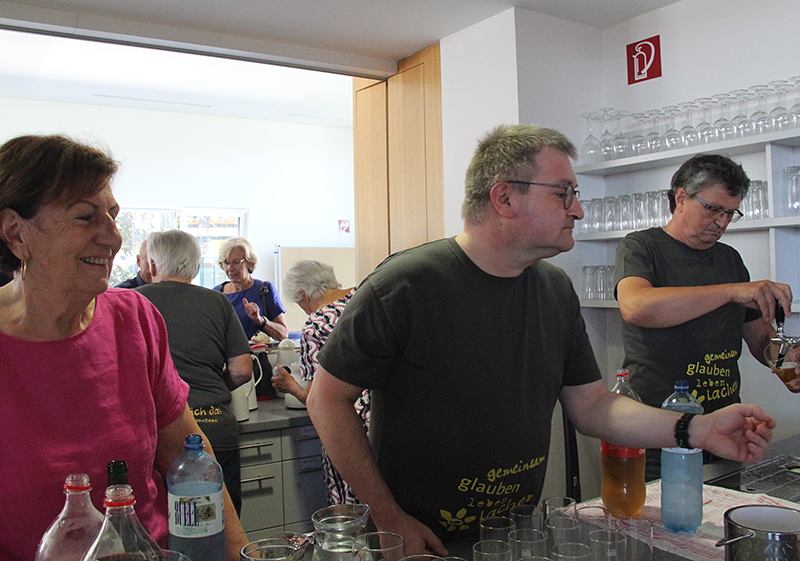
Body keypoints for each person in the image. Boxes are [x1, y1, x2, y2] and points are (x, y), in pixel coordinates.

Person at [306, 125, 776, 556]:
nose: (578, 209)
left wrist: (697, 429)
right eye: (563, 193)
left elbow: (593, 407)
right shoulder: (405, 284)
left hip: (515, 532)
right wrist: (388, 517)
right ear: (504, 198)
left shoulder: (554, 289)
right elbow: (326, 399)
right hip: (420, 541)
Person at [0, 134, 249, 561]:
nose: (113, 237)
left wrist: (241, 553)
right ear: (15, 233)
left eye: (113, 216)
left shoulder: (133, 318)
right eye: (85, 217)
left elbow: (186, 458)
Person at [614, 153, 796, 479]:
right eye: (713, 209)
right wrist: (731, 291)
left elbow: (759, 338)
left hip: (725, 426)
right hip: (660, 429)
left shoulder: (730, 259)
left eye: (730, 213)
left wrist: (787, 360)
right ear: (681, 198)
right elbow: (636, 307)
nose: (722, 223)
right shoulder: (641, 247)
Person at [137, 229, 253, 515]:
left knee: (170, 526)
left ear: (152, 265)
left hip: (158, 435)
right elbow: (242, 370)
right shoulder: (217, 302)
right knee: (223, 522)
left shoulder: (133, 302)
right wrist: (215, 385)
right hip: (215, 428)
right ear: (196, 266)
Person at [273, 259, 367, 505]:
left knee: (351, 510)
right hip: (388, 422)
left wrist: (291, 387)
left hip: (348, 429)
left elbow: (318, 399)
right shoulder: (366, 299)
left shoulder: (316, 326)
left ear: (304, 295)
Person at [215, 236, 289, 341]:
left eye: (236, 262)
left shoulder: (264, 290)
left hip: (257, 351)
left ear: (250, 263)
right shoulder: (217, 294)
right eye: (226, 263)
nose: (230, 268)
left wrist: (260, 320)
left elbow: (283, 335)